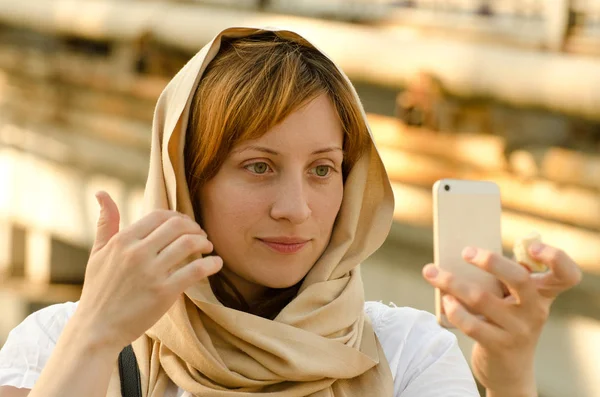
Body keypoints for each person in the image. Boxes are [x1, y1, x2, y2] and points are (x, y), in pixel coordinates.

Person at [0, 27, 581, 397]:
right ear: (185, 180)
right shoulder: (60, 343)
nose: (296, 209)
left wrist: (508, 379)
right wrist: (96, 335)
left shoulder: (405, 353)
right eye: (258, 166)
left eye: (323, 169)